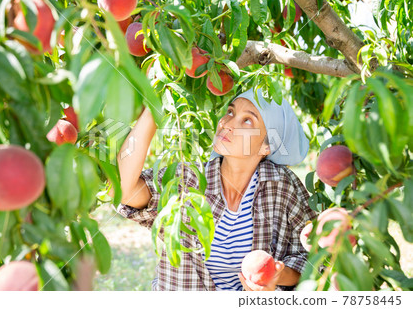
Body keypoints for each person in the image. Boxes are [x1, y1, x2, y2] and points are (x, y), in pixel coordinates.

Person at [110, 88, 318, 291]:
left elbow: (312, 257)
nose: (227, 124)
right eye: (230, 112)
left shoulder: (280, 186)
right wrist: (153, 108)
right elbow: (124, 191)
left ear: (267, 147)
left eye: (247, 120)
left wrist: (275, 275)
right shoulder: (189, 179)